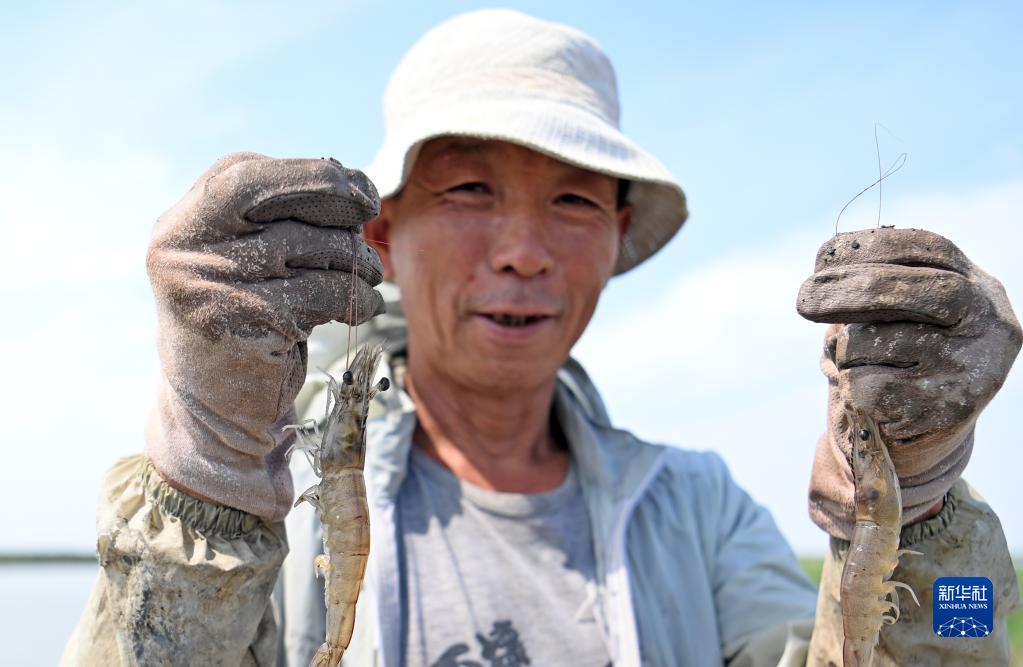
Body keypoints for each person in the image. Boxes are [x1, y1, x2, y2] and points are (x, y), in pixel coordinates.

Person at [62, 9, 1021, 667]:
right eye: (468, 188)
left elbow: (961, 629)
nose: (522, 250)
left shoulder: (704, 512)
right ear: (383, 234)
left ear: (615, 235)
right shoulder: (268, 505)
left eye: (571, 200)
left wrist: (925, 507)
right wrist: (208, 473)